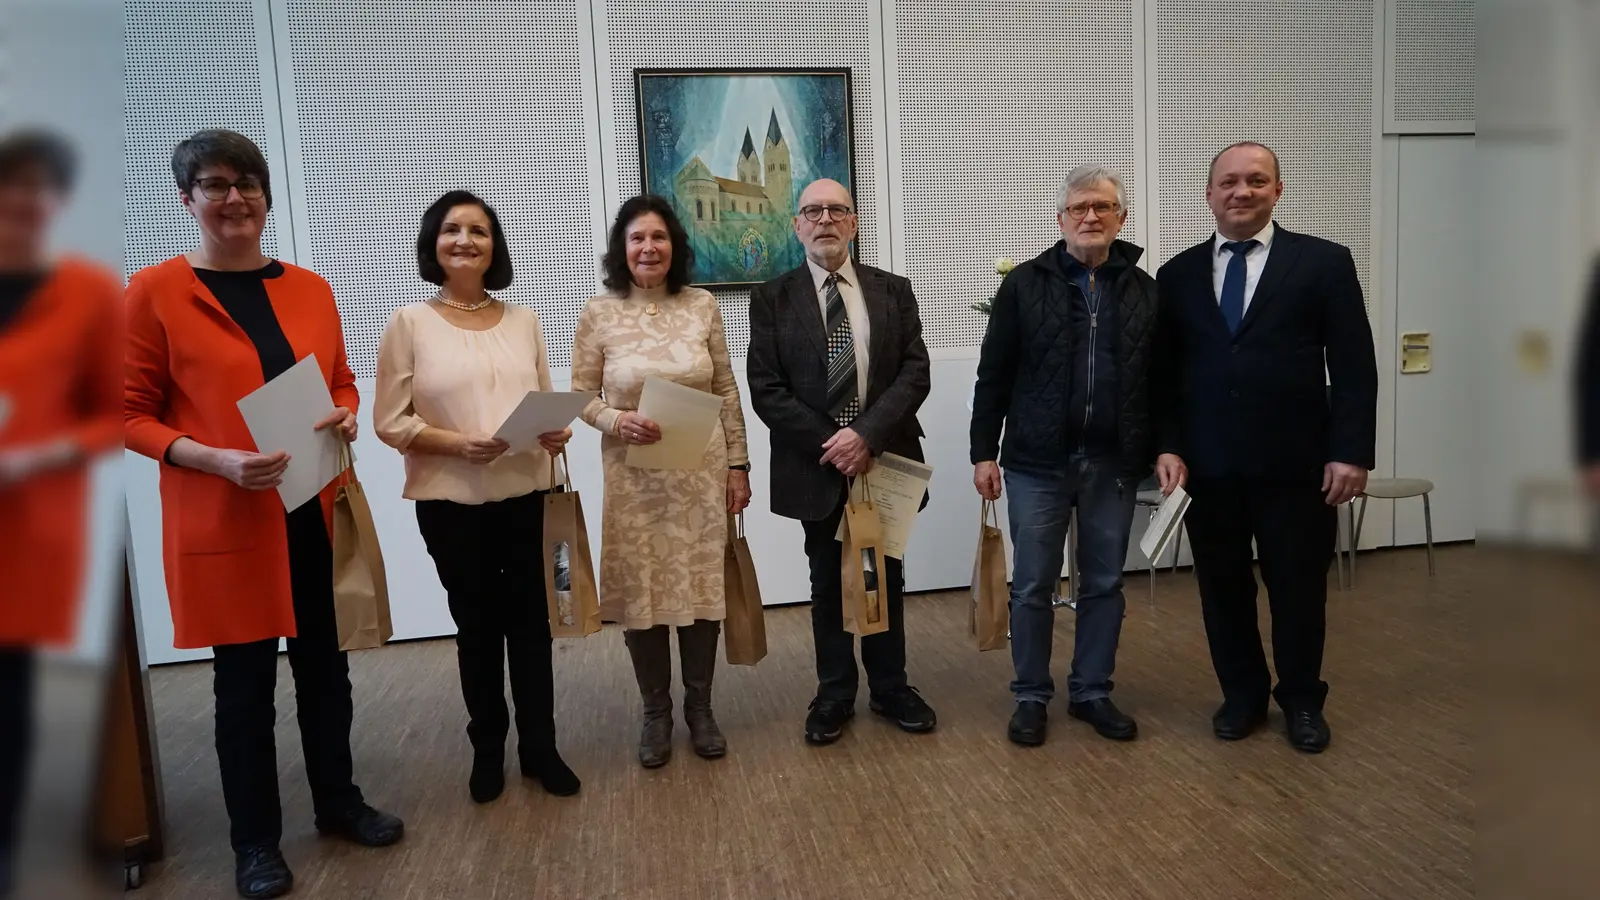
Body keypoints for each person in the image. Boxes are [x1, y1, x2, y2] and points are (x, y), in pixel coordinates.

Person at [124, 129, 402, 899]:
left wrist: (347, 415)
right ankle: (255, 843)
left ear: (267, 196)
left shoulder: (310, 288)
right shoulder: (153, 293)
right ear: (187, 200)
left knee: (327, 671)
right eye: (215, 184)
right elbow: (126, 413)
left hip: (310, 507)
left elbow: (343, 381)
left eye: (247, 183)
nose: (235, 197)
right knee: (242, 689)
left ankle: (338, 804)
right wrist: (209, 458)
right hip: (224, 519)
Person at [1154, 141, 1377, 754]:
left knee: (1298, 589)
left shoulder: (1324, 263)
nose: (1241, 191)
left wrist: (1351, 450)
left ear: (1277, 191)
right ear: (1209, 195)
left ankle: (1303, 700)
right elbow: (1165, 376)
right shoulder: (1177, 275)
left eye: (1256, 180)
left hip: (1299, 466)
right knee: (1222, 590)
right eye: (1228, 181)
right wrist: (1168, 445)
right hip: (1209, 468)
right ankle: (1243, 695)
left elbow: (1354, 364)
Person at [373, 190, 580, 804]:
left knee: (534, 626)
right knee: (477, 628)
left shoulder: (525, 321)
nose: (465, 240)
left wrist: (556, 431)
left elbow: (546, 406)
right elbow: (390, 421)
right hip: (449, 502)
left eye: (479, 231)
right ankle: (488, 748)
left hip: (525, 495)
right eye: (452, 230)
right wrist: (456, 444)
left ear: (496, 247)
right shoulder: (410, 322)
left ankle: (540, 748)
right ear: (432, 244)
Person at [970, 164, 1185, 747]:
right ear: (1059, 219)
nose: (1090, 217)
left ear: (1121, 218)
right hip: (1036, 463)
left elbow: (1163, 382)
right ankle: (1031, 696)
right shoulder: (1024, 286)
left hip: (1114, 463)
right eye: (1079, 208)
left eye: (1103, 208)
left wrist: (1168, 445)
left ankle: (1092, 690)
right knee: (1032, 583)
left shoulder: (1145, 291)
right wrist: (982, 452)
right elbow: (995, 376)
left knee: (1105, 583)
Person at [747, 178, 936, 745]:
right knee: (826, 579)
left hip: (884, 459)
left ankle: (890, 686)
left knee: (885, 572)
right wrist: (835, 442)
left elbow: (914, 371)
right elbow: (766, 388)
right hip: (816, 464)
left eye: (837, 210)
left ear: (853, 222)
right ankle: (834, 692)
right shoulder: (772, 298)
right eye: (812, 211)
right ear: (797, 225)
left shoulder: (892, 291)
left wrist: (866, 437)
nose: (825, 219)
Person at [570, 194, 750, 768]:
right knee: (644, 587)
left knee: (700, 587)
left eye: (659, 237)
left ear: (675, 247)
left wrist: (739, 464)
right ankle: (655, 712)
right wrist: (615, 419)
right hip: (634, 477)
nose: (649, 248)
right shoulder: (599, 313)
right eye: (637, 238)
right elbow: (579, 396)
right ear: (622, 250)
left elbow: (724, 387)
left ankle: (701, 708)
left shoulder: (702, 306)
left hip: (701, 472)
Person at [0, 129, 121, 898]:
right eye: (11, 183)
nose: (22, 199)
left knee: (9, 697)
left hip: (28, 525)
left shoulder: (85, 294)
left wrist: (42, 451)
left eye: (38, 186)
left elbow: (113, 414)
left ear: (57, 201)